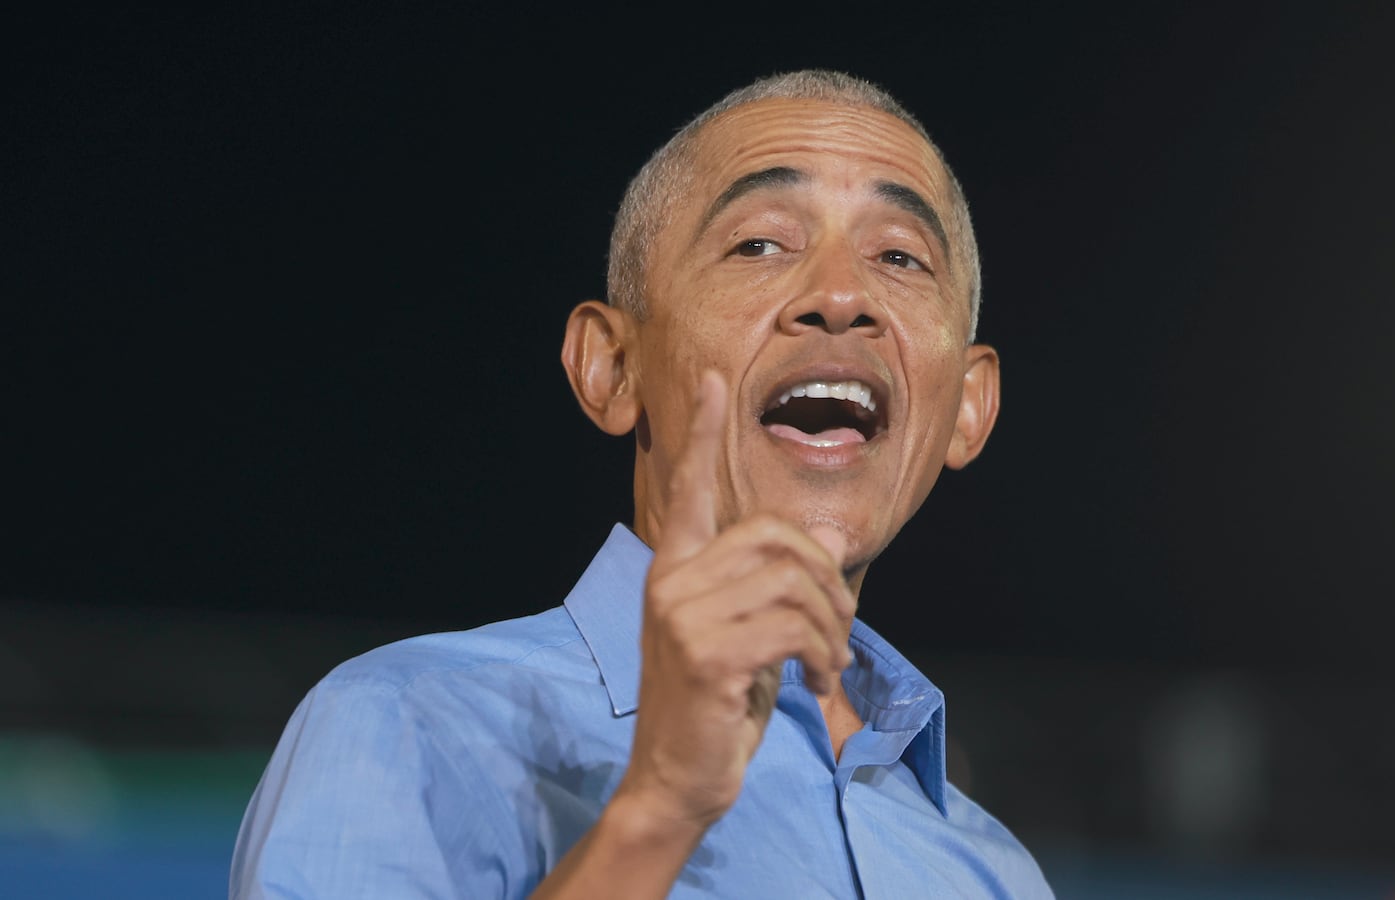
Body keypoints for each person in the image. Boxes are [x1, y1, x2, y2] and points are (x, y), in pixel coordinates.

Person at [230, 68, 1054, 899]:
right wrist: (660, 806)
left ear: (968, 408)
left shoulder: (1000, 874)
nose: (842, 296)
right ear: (613, 367)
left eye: (899, 256)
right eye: (759, 244)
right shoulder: (410, 722)